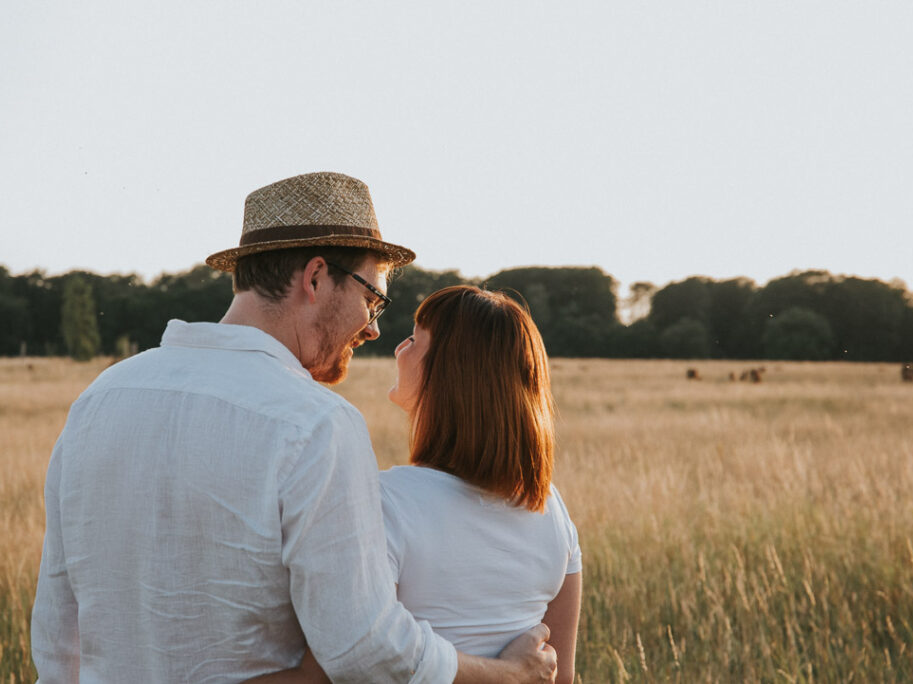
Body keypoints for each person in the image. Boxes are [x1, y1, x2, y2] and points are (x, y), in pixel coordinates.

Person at [30, 171, 557, 683]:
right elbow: (365, 649)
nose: (373, 327)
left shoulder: (101, 398)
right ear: (315, 278)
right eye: (372, 298)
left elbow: (58, 633)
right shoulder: (315, 424)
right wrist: (506, 675)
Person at [254, 285, 582, 684]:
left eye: (413, 339)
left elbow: (332, 671)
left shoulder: (385, 502)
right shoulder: (551, 508)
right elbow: (560, 676)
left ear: (447, 370)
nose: (398, 349)